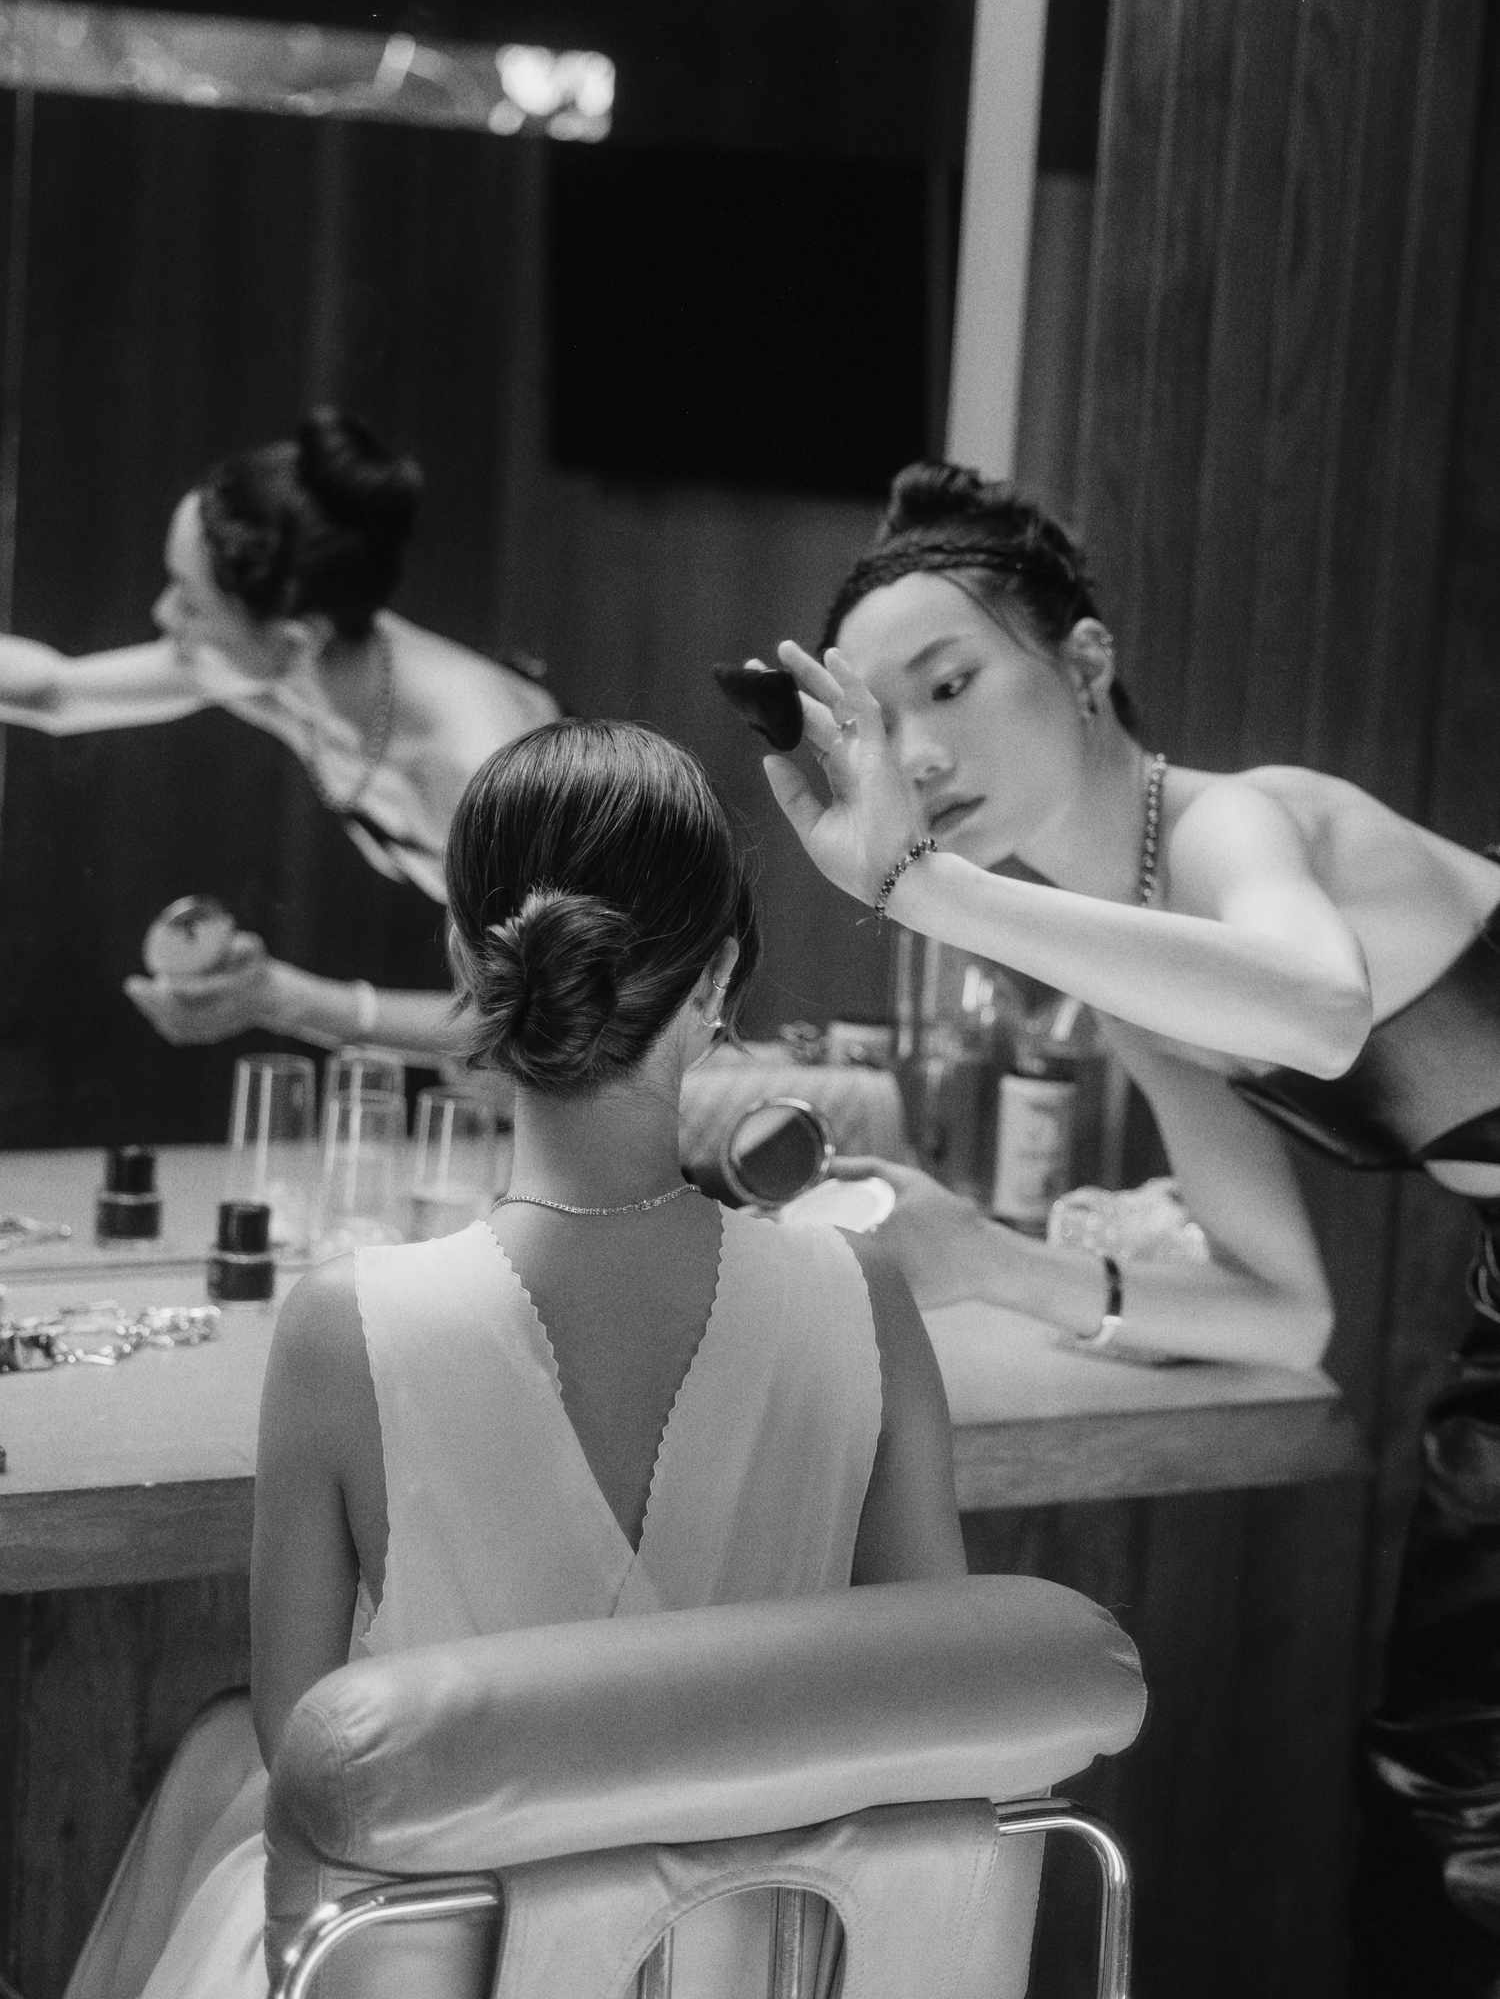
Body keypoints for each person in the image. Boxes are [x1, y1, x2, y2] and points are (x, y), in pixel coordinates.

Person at [62, 717, 965, 1999]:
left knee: (224, 1766)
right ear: (715, 985)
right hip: (759, 1966)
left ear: (465, 963)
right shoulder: (863, 1294)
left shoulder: (344, 1325)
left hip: (434, 1969)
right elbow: (941, 1697)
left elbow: (314, 1764)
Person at [755, 458, 1500, 1996]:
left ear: (1086, 664)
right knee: (1439, 1804)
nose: (921, 748)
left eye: (949, 682)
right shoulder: (1140, 980)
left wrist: (918, 885)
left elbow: (1313, 1002)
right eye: (882, 724)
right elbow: (1282, 1311)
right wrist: (991, 1265)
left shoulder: (1243, 824)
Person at [0, 407, 559, 1055]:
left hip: (669, 1049)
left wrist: (278, 998)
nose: (162, 614)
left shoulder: (481, 760)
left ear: (298, 638)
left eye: (190, 601)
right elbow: (56, 692)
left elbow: (533, 1021)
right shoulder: (285, 673)